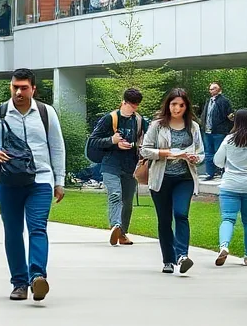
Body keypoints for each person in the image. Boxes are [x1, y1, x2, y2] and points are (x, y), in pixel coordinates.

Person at [0, 68, 66, 302]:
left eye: (24, 87)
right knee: (13, 231)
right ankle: (19, 283)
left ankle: (37, 276)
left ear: (33, 88)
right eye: (15, 86)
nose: (18, 91)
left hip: (40, 180)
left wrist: (59, 181)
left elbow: (57, 147)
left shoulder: (46, 113)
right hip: (8, 181)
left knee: (38, 228)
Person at [140, 87, 203, 275]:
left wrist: (194, 158)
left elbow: (201, 153)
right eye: (174, 104)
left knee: (181, 214)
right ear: (168, 105)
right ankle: (168, 259)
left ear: (186, 106)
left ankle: (182, 255)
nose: (177, 109)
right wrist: (164, 153)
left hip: (184, 178)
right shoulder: (157, 125)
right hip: (161, 178)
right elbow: (144, 150)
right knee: (165, 219)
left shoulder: (193, 126)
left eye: (181, 105)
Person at [86, 87, 144, 246]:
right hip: (110, 164)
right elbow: (93, 141)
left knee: (128, 201)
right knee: (115, 194)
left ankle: (122, 233)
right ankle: (115, 226)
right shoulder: (109, 119)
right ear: (123, 102)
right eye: (131, 105)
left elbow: (149, 137)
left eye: (136, 105)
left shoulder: (138, 120)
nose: (133, 108)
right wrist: (112, 141)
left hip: (131, 165)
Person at [214, 109, 247, 266]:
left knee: (228, 218)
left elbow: (218, 160)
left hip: (230, 183)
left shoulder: (228, 140)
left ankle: (224, 246)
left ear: (235, 121)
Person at [200, 82, 234, 181]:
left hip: (219, 131)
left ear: (218, 90)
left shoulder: (224, 101)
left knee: (220, 152)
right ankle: (210, 173)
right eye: (210, 89)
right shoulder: (208, 101)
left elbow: (229, 115)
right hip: (207, 131)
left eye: (213, 89)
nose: (211, 91)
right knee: (208, 153)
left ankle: (223, 172)